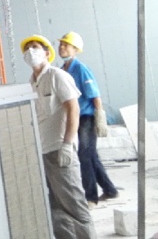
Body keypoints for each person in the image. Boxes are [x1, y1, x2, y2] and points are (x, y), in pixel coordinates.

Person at [22, 35, 96, 239]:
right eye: (27, 49)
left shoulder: (57, 76)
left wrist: (67, 144)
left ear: (47, 53)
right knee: (54, 207)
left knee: (74, 205)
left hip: (59, 149)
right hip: (43, 151)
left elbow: (73, 109)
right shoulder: (32, 83)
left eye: (35, 47)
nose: (30, 52)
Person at [58, 31, 119, 206]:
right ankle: (110, 190)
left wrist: (99, 116)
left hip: (86, 117)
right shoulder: (63, 70)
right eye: (61, 44)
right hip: (75, 117)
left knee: (84, 156)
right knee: (91, 155)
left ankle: (91, 197)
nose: (62, 47)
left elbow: (95, 94)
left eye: (66, 45)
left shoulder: (81, 69)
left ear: (75, 49)